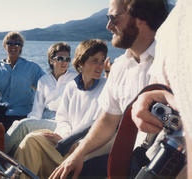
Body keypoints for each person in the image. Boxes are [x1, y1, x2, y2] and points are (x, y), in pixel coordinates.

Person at [49, 0, 168, 178]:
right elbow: (107, 121)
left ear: (140, 18)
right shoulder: (119, 67)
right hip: (132, 159)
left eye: (113, 18)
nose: (108, 26)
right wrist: (77, 155)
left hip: (167, 163)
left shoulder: (171, 61)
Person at [14, 39, 108, 179]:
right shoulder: (72, 87)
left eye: (102, 61)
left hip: (87, 149)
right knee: (31, 140)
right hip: (68, 141)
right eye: (95, 60)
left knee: (28, 132)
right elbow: (63, 119)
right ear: (81, 62)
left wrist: (76, 145)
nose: (100, 66)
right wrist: (64, 138)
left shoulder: (107, 87)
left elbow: (104, 127)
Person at [131, 0, 192, 178]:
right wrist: (149, 99)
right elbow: (159, 88)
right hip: (162, 158)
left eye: (114, 17)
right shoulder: (169, 27)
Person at [4, 42, 77, 155]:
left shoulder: (76, 78)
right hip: (44, 117)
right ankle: (7, 159)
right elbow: (37, 109)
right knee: (18, 126)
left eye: (67, 59)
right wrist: (32, 122)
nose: (64, 62)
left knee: (22, 126)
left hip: (62, 120)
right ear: (51, 60)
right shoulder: (43, 80)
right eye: (60, 58)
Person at [0, 32, 44, 131]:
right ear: (4, 46)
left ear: (21, 47)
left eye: (17, 44)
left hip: (23, 112)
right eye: (10, 43)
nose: (13, 46)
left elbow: (46, 85)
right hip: (2, 109)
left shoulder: (31, 67)